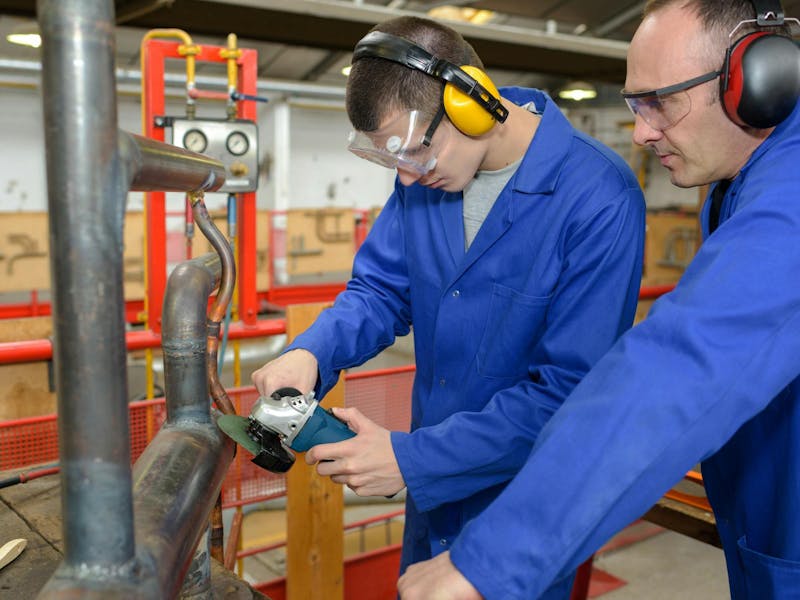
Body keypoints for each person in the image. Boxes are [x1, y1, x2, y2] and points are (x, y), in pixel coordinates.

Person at [395, 1, 800, 598]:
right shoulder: (737, 178)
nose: (639, 130)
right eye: (636, 103)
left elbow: (681, 365)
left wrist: (491, 558)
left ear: (758, 83)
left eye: (660, 101)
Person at [251, 15, 645, 598]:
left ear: (472, 101)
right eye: (395, 163)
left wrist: (412, 461)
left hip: (524, 508)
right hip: (434, 502)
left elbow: (567, 394)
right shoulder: (424, 180)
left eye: (416, 153)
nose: (409, 177)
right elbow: (380, 291)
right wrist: (311, 351)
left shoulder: (597, 197)